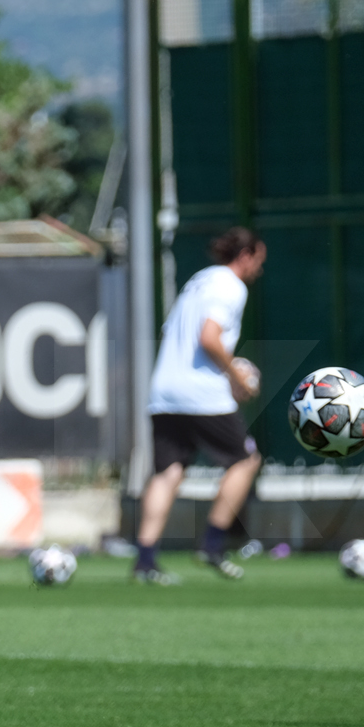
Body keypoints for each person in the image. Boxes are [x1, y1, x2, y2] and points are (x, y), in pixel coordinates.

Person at [133, 227, 267, 584]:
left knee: (168, 472)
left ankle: (144, 561)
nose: (259, 270)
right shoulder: (231, 286)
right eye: (259, 261)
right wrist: (236, 378)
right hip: (201, 393)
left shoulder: (199, 280)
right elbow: (209, 338)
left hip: (165, 388)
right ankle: (212, 543)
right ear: (246, 256)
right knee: (245, 460)